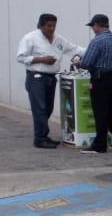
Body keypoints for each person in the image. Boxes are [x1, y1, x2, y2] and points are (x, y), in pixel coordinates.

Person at [16, 13, 83, 148]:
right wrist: (41, 59)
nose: (51, 28)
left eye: (54, 25)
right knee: (39, 108)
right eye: (48, 26)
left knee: (48, 108)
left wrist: (92, 51)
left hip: (51, 78)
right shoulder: (30, 38)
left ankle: (43, 135)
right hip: (36, 78)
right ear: (41, 25)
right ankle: (40, 138)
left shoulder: (58, 39)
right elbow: (21, 57)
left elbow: (74, 48)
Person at [75, 14, 112, 154]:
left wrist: (77, 63)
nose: (92, 29)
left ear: (97, 25)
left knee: (100, 111)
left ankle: (99, 145)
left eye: (93, 26)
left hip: (100, 78)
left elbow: (86, 63)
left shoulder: (97, 41)